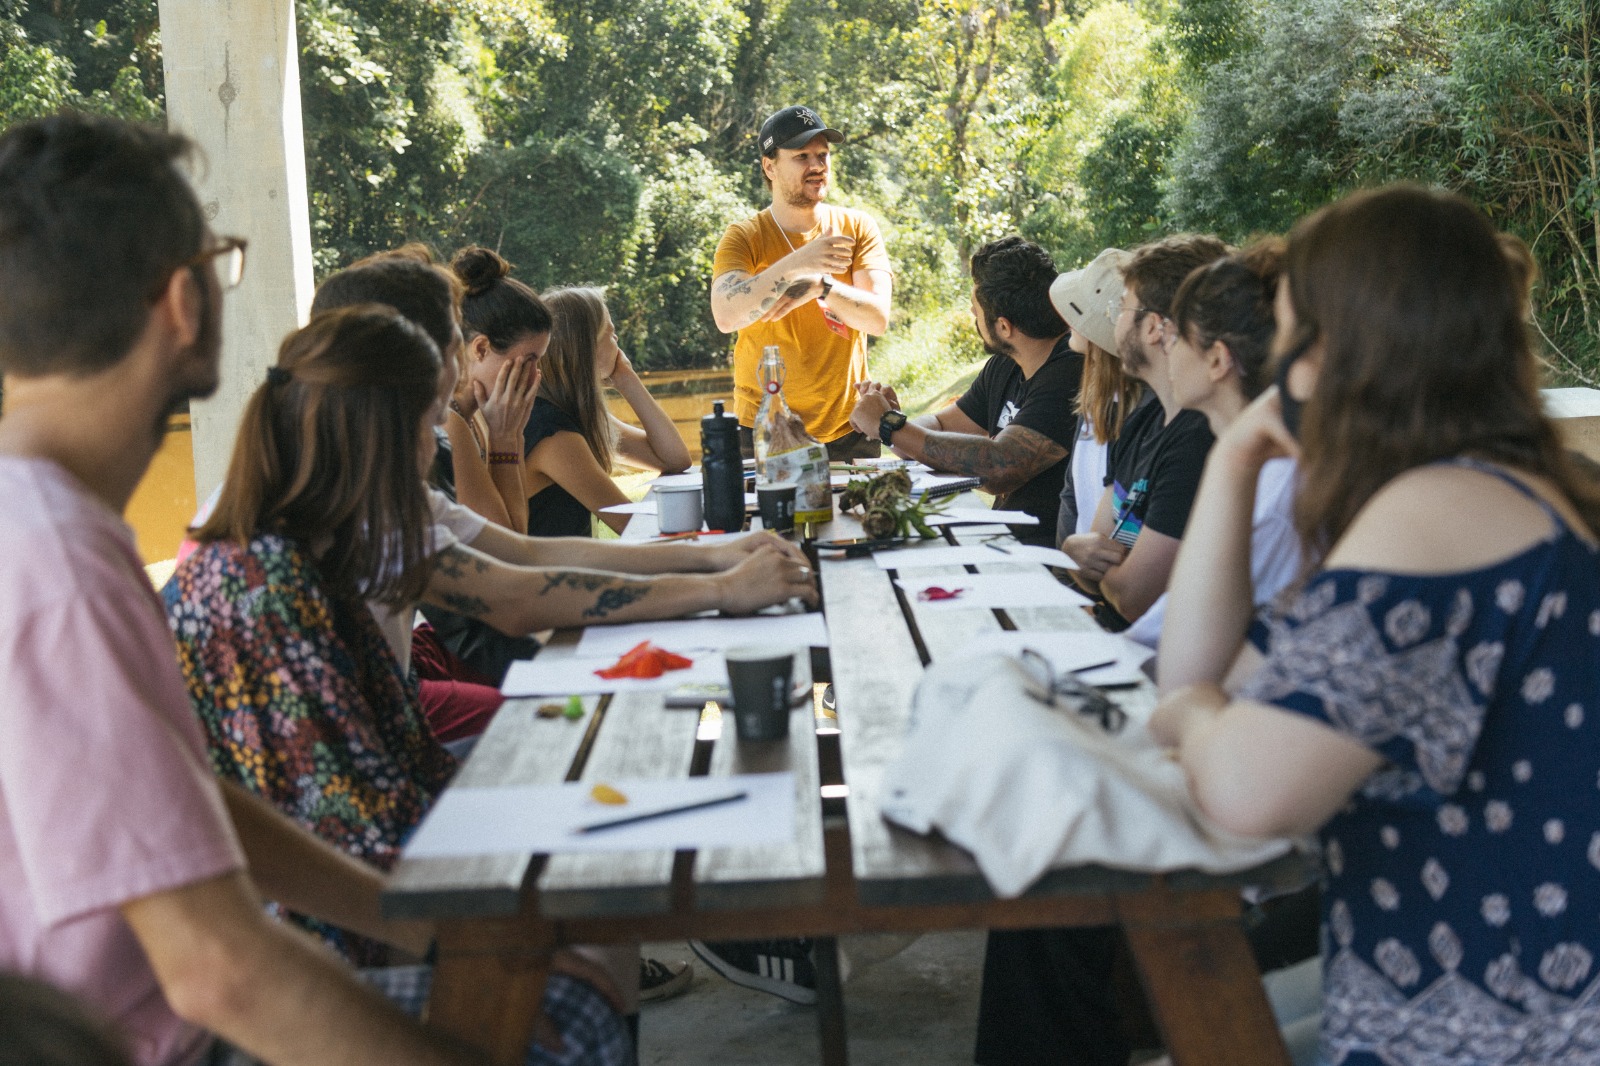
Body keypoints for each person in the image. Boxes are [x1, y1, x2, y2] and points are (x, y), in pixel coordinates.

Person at [0, 110, 500, 1066]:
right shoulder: (62, 567)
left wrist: (416, 920)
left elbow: (176, 814)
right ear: (183, 301)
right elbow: (217, 970)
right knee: (574, 1015)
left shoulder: (42, 527)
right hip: (156, 1044)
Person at [1151, 184, 1600, 1065]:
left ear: (1333, 352)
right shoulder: (1495, 490)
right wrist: (1239, 453)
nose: (1278, 364)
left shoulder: (1438, 514)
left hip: (1500, 1030)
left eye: (1287, 336)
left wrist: (1195, 722)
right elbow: (1201, 671)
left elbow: (1244, 788)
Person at [973, 239, 1314, 1066]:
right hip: (1190, 706)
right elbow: (1108, 559)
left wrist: (1188, 702)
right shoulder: (1216, 447)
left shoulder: (1254, 468)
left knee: (1049, 879)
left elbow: (1178, 645)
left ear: (1211, 354)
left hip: (1246, 770)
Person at [848, 236, 1081, 545]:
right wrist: (894, 421)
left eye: (976, 310)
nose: (972, 315)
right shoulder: (1007, 363)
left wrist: (891, 427)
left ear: (1003, 327)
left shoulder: (1071, 373)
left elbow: (999, 466)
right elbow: (943, 425)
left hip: (1048, 558)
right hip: (1004, 541)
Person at [1063, 234, 1229, 631]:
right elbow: (1091, 548)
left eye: (1121, 308)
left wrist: (1085, 562)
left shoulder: (1198, 439)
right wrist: (1075, 552)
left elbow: (1136, 598)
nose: (1114, 322)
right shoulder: (1145, 419)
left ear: (1154, 327)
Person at [710, 105, 893, 461]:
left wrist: (821, 286)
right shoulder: (744, 237)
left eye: (823, 155)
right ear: (769, 166)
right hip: (764, 426)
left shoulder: (857, 228)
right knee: (770, 520)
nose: (817, 165)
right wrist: (799, 262)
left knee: (857, 520)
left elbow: (877, 318)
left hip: (850, 426)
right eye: (802, 156)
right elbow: (726, 315)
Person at [523, 285, 691, 536]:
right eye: (610, 333)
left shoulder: (568, 413)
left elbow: (674, 459)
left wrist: (626, 378)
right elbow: (631, 526)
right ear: (585, 350)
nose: (617, 341)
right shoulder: (553, 434)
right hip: (552, 573)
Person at [442, 246, 546, 534]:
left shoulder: (475, 419)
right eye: (529, 360)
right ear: (481, 348)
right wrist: (504, 439)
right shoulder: (450, 424)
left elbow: (518, 529)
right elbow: (511, 543)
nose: (535, 375)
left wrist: (512, 436)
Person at [1047, 248, 1143, 547]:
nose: (1067, 318)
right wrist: (1067, 567)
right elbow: (1072, 493)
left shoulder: (1138, 410)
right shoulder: (1094, 399)